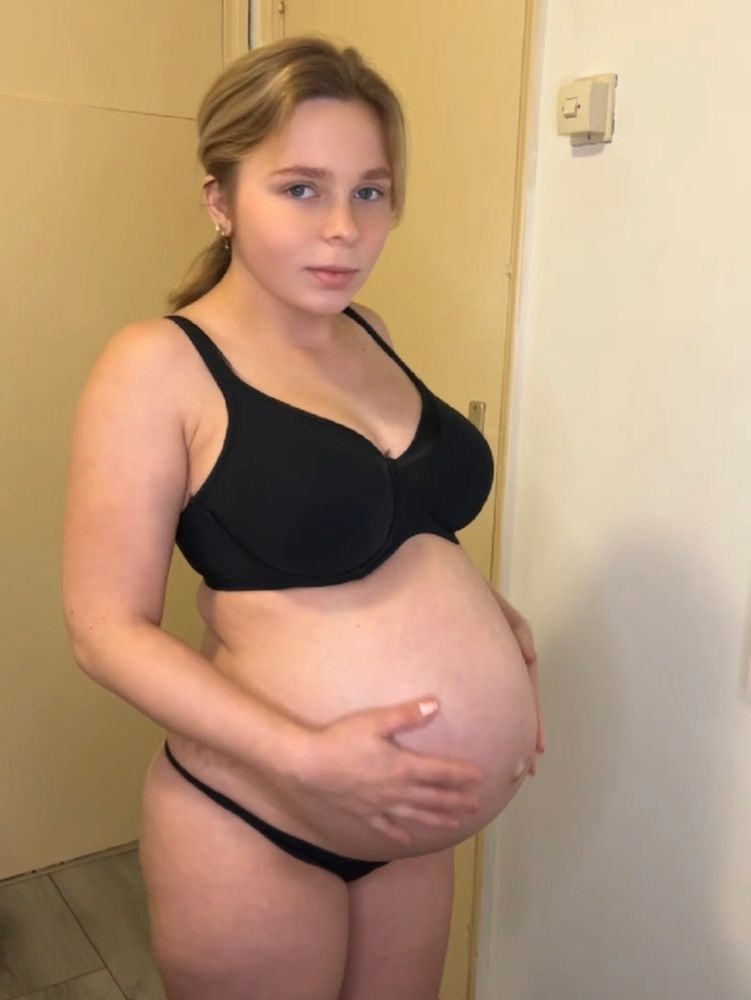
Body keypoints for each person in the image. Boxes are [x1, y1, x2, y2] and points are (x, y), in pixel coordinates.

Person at [62, 34, 545, 1000]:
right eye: (299, 189)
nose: (342, 229)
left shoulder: (368, 331)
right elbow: (104, 630)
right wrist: (308, 759)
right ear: (220, 199)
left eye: (370, 191)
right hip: (259, 818)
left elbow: (398, 522)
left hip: (406, 828)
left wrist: (485, 615)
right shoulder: (158, 365)